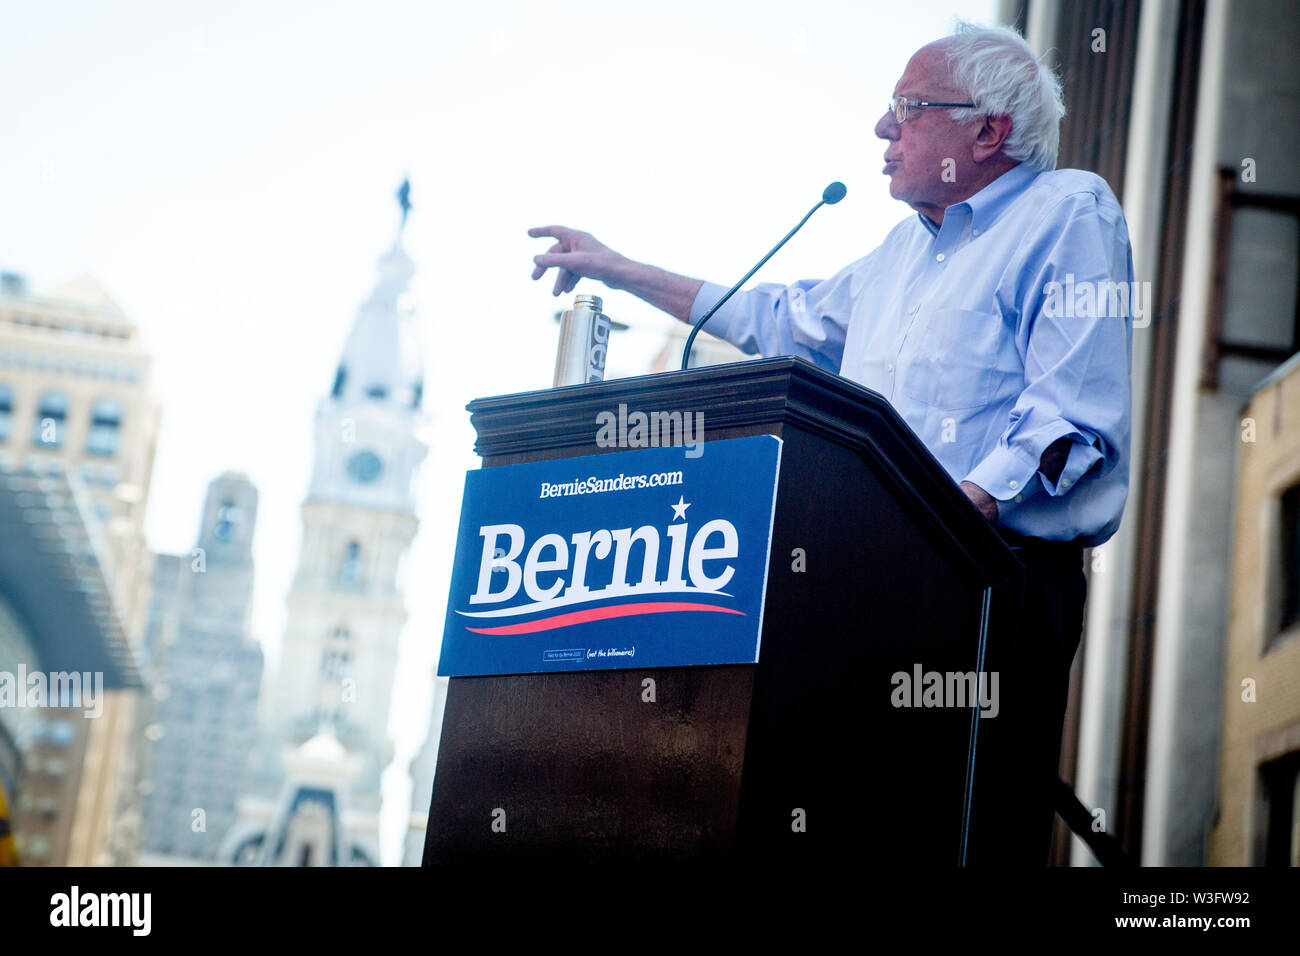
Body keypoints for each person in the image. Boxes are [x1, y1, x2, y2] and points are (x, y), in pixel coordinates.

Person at [529, 21, 1132, 865]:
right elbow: (774, 317)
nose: (883, 130)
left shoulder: (1066, 211)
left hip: (993, 584)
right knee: (846, 824)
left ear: (989, 131)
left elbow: (1070, 417)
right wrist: (620, 266)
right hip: (870, 586)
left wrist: (944, 525)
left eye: (908, 108)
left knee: (956, 833)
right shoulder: (898, 255)